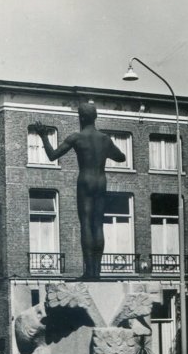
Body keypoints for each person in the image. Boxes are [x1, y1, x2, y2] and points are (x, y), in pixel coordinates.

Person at [33, 102, 126, 279]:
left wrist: (44, 136)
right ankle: (97, 273)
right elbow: (121, 157)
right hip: (101, 181)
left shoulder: (76, 137)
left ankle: (89, 272)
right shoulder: (105, 139)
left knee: (85, 225)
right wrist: (106, 152)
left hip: (85, 181)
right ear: (96, 117)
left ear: (81, 118)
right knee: (98, 225)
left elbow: (52, 155)